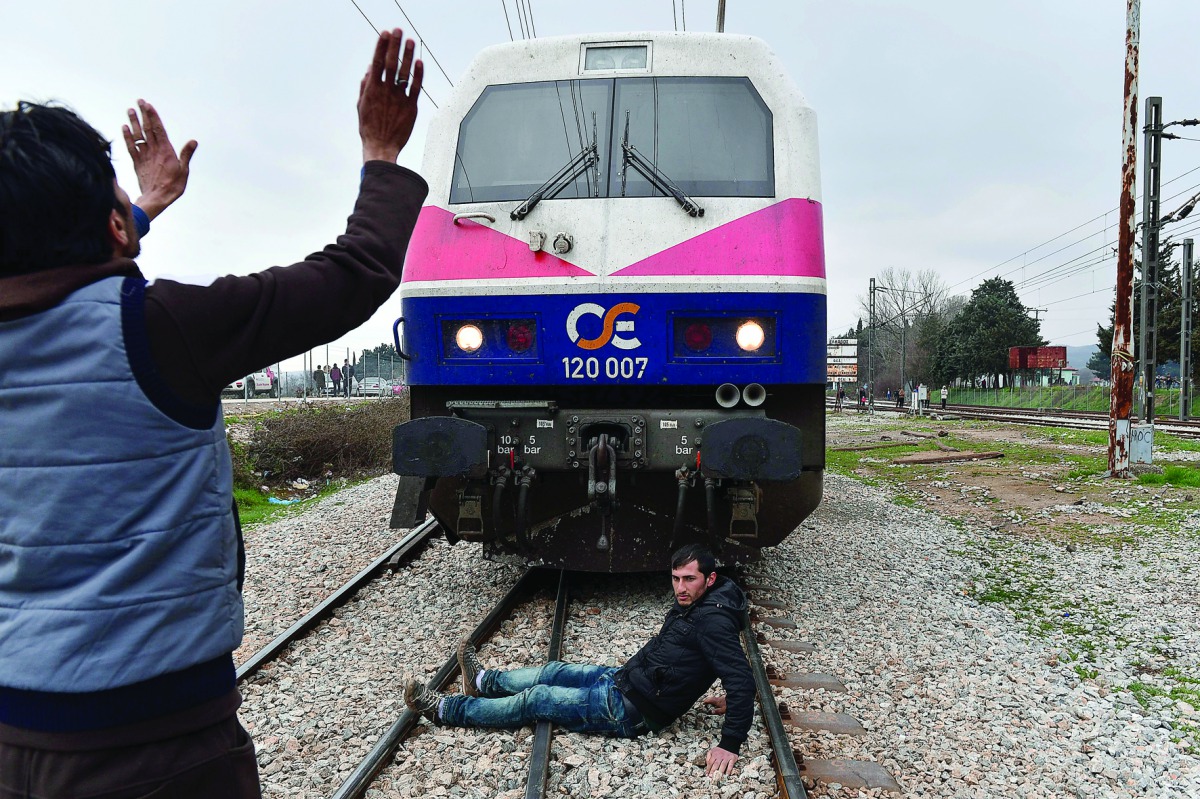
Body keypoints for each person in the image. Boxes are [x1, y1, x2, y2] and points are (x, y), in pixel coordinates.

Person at [0, 29, 426, 799]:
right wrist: (380, 153)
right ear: (113, 229)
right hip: (159, 744)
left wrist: (144, 206)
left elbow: (52, 270)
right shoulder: (162, 328)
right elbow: (354, 273)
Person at [404, 545, 754, 779]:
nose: (680, 587)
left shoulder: (714, 620)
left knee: (538, 699)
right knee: (554, 670)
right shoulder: (706, 601)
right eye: (676, 578)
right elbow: (732, 667)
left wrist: (729, 743)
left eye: (689, 580)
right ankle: (484, 682)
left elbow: (738, 675)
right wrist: (732, 696)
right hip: (627, 680)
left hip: (633, 710)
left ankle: (446, 710)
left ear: (709, 579)